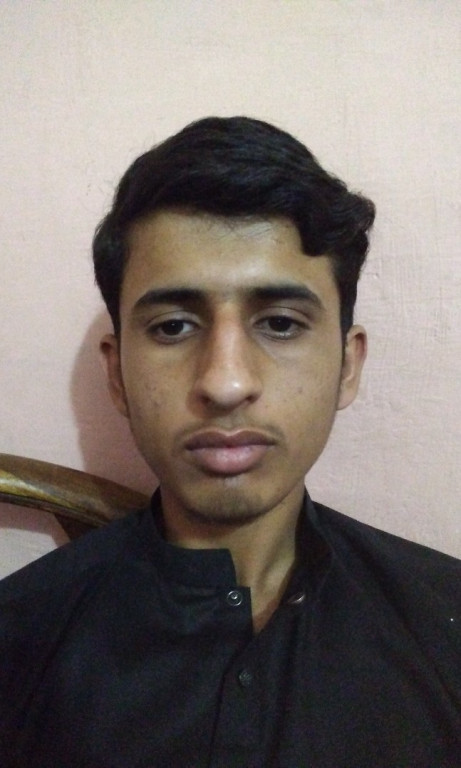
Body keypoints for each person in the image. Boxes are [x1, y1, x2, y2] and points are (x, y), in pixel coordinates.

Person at [0, 117, 459, 768]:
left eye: (280, 323)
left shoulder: (445, 624)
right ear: (117, 373)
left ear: (347, 366)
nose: (225, 382)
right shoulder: (19, 644)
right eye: (172, 327)